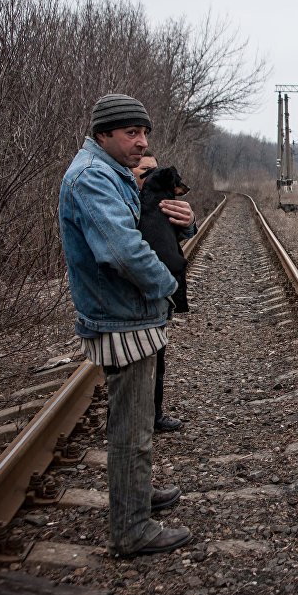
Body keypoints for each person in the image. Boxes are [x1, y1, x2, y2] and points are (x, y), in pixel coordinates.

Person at [59, 94, 193, 556]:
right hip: (123, 319)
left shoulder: (110, 172)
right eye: (131, 133)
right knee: (132, 427)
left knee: (134, 420)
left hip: (129, 315)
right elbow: (123, 251)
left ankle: (136, 495)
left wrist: (187, 224)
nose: (142, 143)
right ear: (102, 135)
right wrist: (167, 285)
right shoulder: (93, 178)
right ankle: (131, 528)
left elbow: (150, 226)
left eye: (144, 133)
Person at [132, 150, 193, 433]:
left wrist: (189, 223)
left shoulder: (159, 200)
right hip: (135, 295)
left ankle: (154, 415)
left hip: (157, 296)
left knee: (158, 356)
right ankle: (131, 419)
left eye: (154, 170)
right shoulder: (121, 199)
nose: (151, 175)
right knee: (133, 364)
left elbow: (173, 234)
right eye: (144, 171)